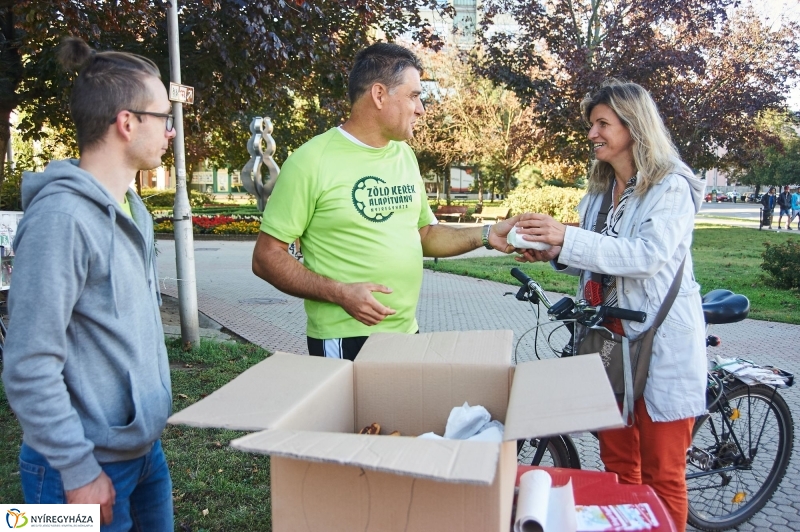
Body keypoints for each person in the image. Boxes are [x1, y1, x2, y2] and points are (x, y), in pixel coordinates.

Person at [513, 80, 707, 531]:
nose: (592, 133)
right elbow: (595, 259)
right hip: (609, 343)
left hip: (659, 347)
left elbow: (646, 257)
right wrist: (553, 251)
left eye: (603, 123)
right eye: (590, 124)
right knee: (619, 466)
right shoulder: (601, 191)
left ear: (633, 126)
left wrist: (568, 238)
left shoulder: (671, 186)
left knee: (663, 473)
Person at [2, 38, 175, 530]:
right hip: (72, 471)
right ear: (127, 122)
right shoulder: (62, 219)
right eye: (164, 117)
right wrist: (77, 472)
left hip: (143, 457)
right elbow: (28, 363)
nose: (171, 132)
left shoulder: (133, 210)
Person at [252, 42, 519, 360]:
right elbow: (266, 257)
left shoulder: (404, 155)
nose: (421, 109)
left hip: (406, 332)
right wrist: (340, 293)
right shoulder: (310, 161)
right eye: (414, 96)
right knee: (355, 414)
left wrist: (489, 234)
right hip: (345, 336)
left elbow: (425, 234)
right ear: (379, 95)